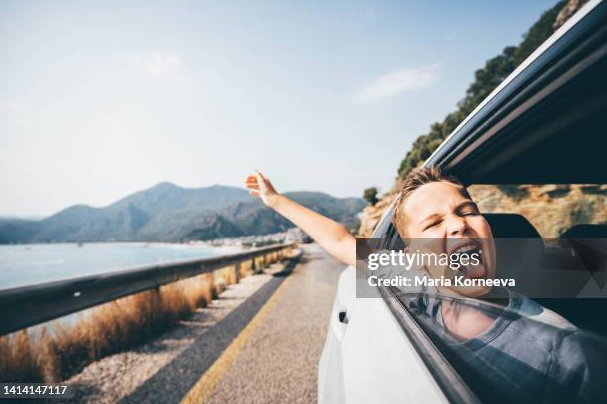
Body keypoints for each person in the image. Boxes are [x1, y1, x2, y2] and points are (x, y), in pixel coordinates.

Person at [245, 166, 606, 403]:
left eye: (467, 211)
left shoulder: (566, 351)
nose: (457, 226)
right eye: (433, 224)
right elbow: (342, 242)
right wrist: (275, 200)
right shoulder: (415, 285)